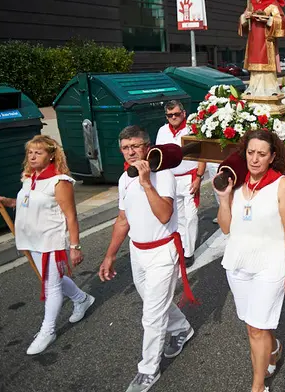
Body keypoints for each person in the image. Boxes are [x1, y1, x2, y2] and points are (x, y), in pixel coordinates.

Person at [99, 126, 194, 392]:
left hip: (162, 252)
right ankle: (182, 328)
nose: (131, 152)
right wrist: (109, 255)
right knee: (153, 302)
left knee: (151, 315)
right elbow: (123, 220)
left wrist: (146, 183)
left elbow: (164, 214)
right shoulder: (124, 179)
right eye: (125, 148)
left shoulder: (163, 175)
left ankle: (148, 370)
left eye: (135, 146)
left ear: (147, 147)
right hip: (137, 251)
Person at [215, 129, 285, 392]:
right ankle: (273, 348)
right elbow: (226, 227)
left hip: (271, 265)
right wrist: (224, 199)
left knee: (255, 328)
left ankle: (258, 386)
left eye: (261, 154)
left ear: (272, 156)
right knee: (254, 324)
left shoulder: (281, 185)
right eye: (251, 153)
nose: (254, 159)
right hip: (238, 263)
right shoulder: (236, 183)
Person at [0, 135, 93, 355]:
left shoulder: (60, 182)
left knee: (50, 285)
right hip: (31, 239)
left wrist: (74, 246)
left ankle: (48, 331)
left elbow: (71, 216)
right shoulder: (29, 178)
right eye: (30, 152)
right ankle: (82, 299)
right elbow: (26, 203)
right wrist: (7, 202)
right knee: (51, 278)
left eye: (38, 152)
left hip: (51, 240)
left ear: (51, 155)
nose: (33, 156)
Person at [156, 100, 206, 268]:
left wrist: (199, 177)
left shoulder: (192, 129)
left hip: (189, 178)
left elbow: (202, 155)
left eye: (176, 114)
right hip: (170, 179)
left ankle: (189, 253)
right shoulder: (162, 131)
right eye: (170, 115)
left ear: (183, 113)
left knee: (191, 217)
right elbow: (159, 156)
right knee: (178, 218)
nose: (173, 117)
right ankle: (182, 247)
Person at [239, 0, 285, 96]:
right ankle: (253, 87)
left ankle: (269, 88)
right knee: (254, 63)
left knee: (266, 62)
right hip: (254, 37)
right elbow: (244, 19)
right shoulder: (251, 1)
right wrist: (245, 17)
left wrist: (267, 20)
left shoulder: (272, 1)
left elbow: (281, 20)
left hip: (266, 38)